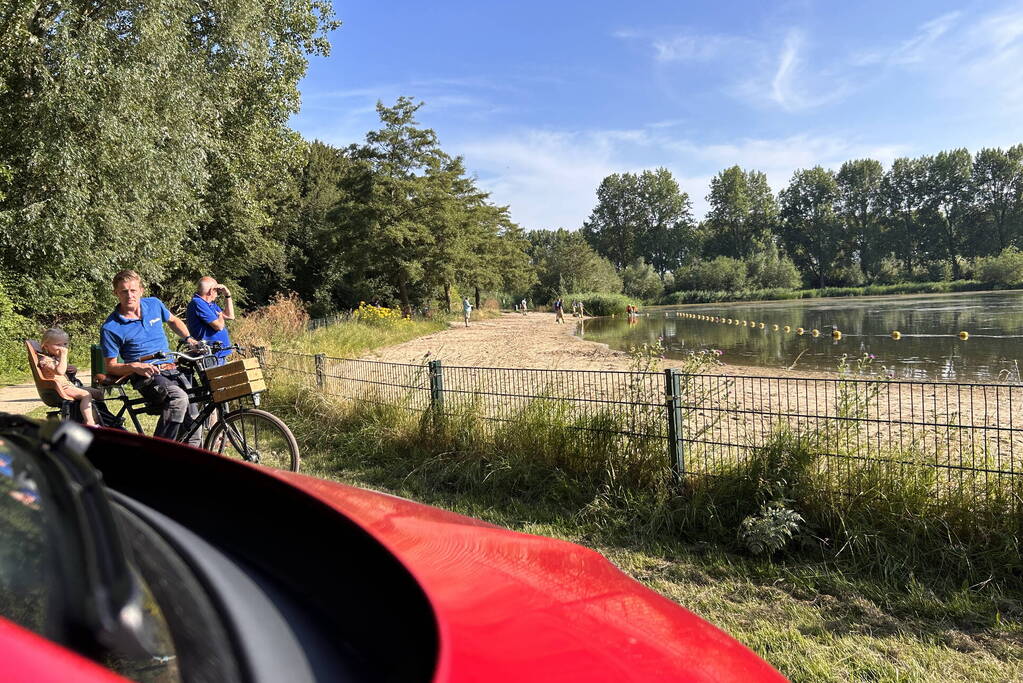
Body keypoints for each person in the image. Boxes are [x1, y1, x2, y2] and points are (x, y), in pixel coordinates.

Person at [99, 269, 202, 446]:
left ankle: (192, 458)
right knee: (179, 398)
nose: (129, 295)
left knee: (194, 414)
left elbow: (173, 320)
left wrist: (189, 339)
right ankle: (157, 452)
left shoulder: (154, 304)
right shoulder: (111, 327)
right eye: (124, 291)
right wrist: (134, 367)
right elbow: (110, 366)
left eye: (133, 290)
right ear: (116, 293)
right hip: (146, 377)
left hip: (172, 368)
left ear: (141, 290)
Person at [37, 328, 104, 427]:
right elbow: (59, 371)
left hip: (68, 386)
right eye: (58, 345)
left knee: (98, 393)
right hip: (60, 389)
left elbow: (62, 369)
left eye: (65, 344)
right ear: (46, 346)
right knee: (86, 395)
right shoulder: (45, 360)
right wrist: (64, 356)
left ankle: (102, 418)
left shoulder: (54, 358)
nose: (63, 348)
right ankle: (89, 422)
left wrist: (71, 369)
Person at [185, 276, 235, 365]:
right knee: (216, 379)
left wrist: (228, 295)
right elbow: (219, 326)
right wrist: (220, 316)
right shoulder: (198, 303)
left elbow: (230, 316)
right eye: (217, 292)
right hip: (211, 355)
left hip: (219, 354)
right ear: (211, 291)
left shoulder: (210, 304)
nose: (217, 294)